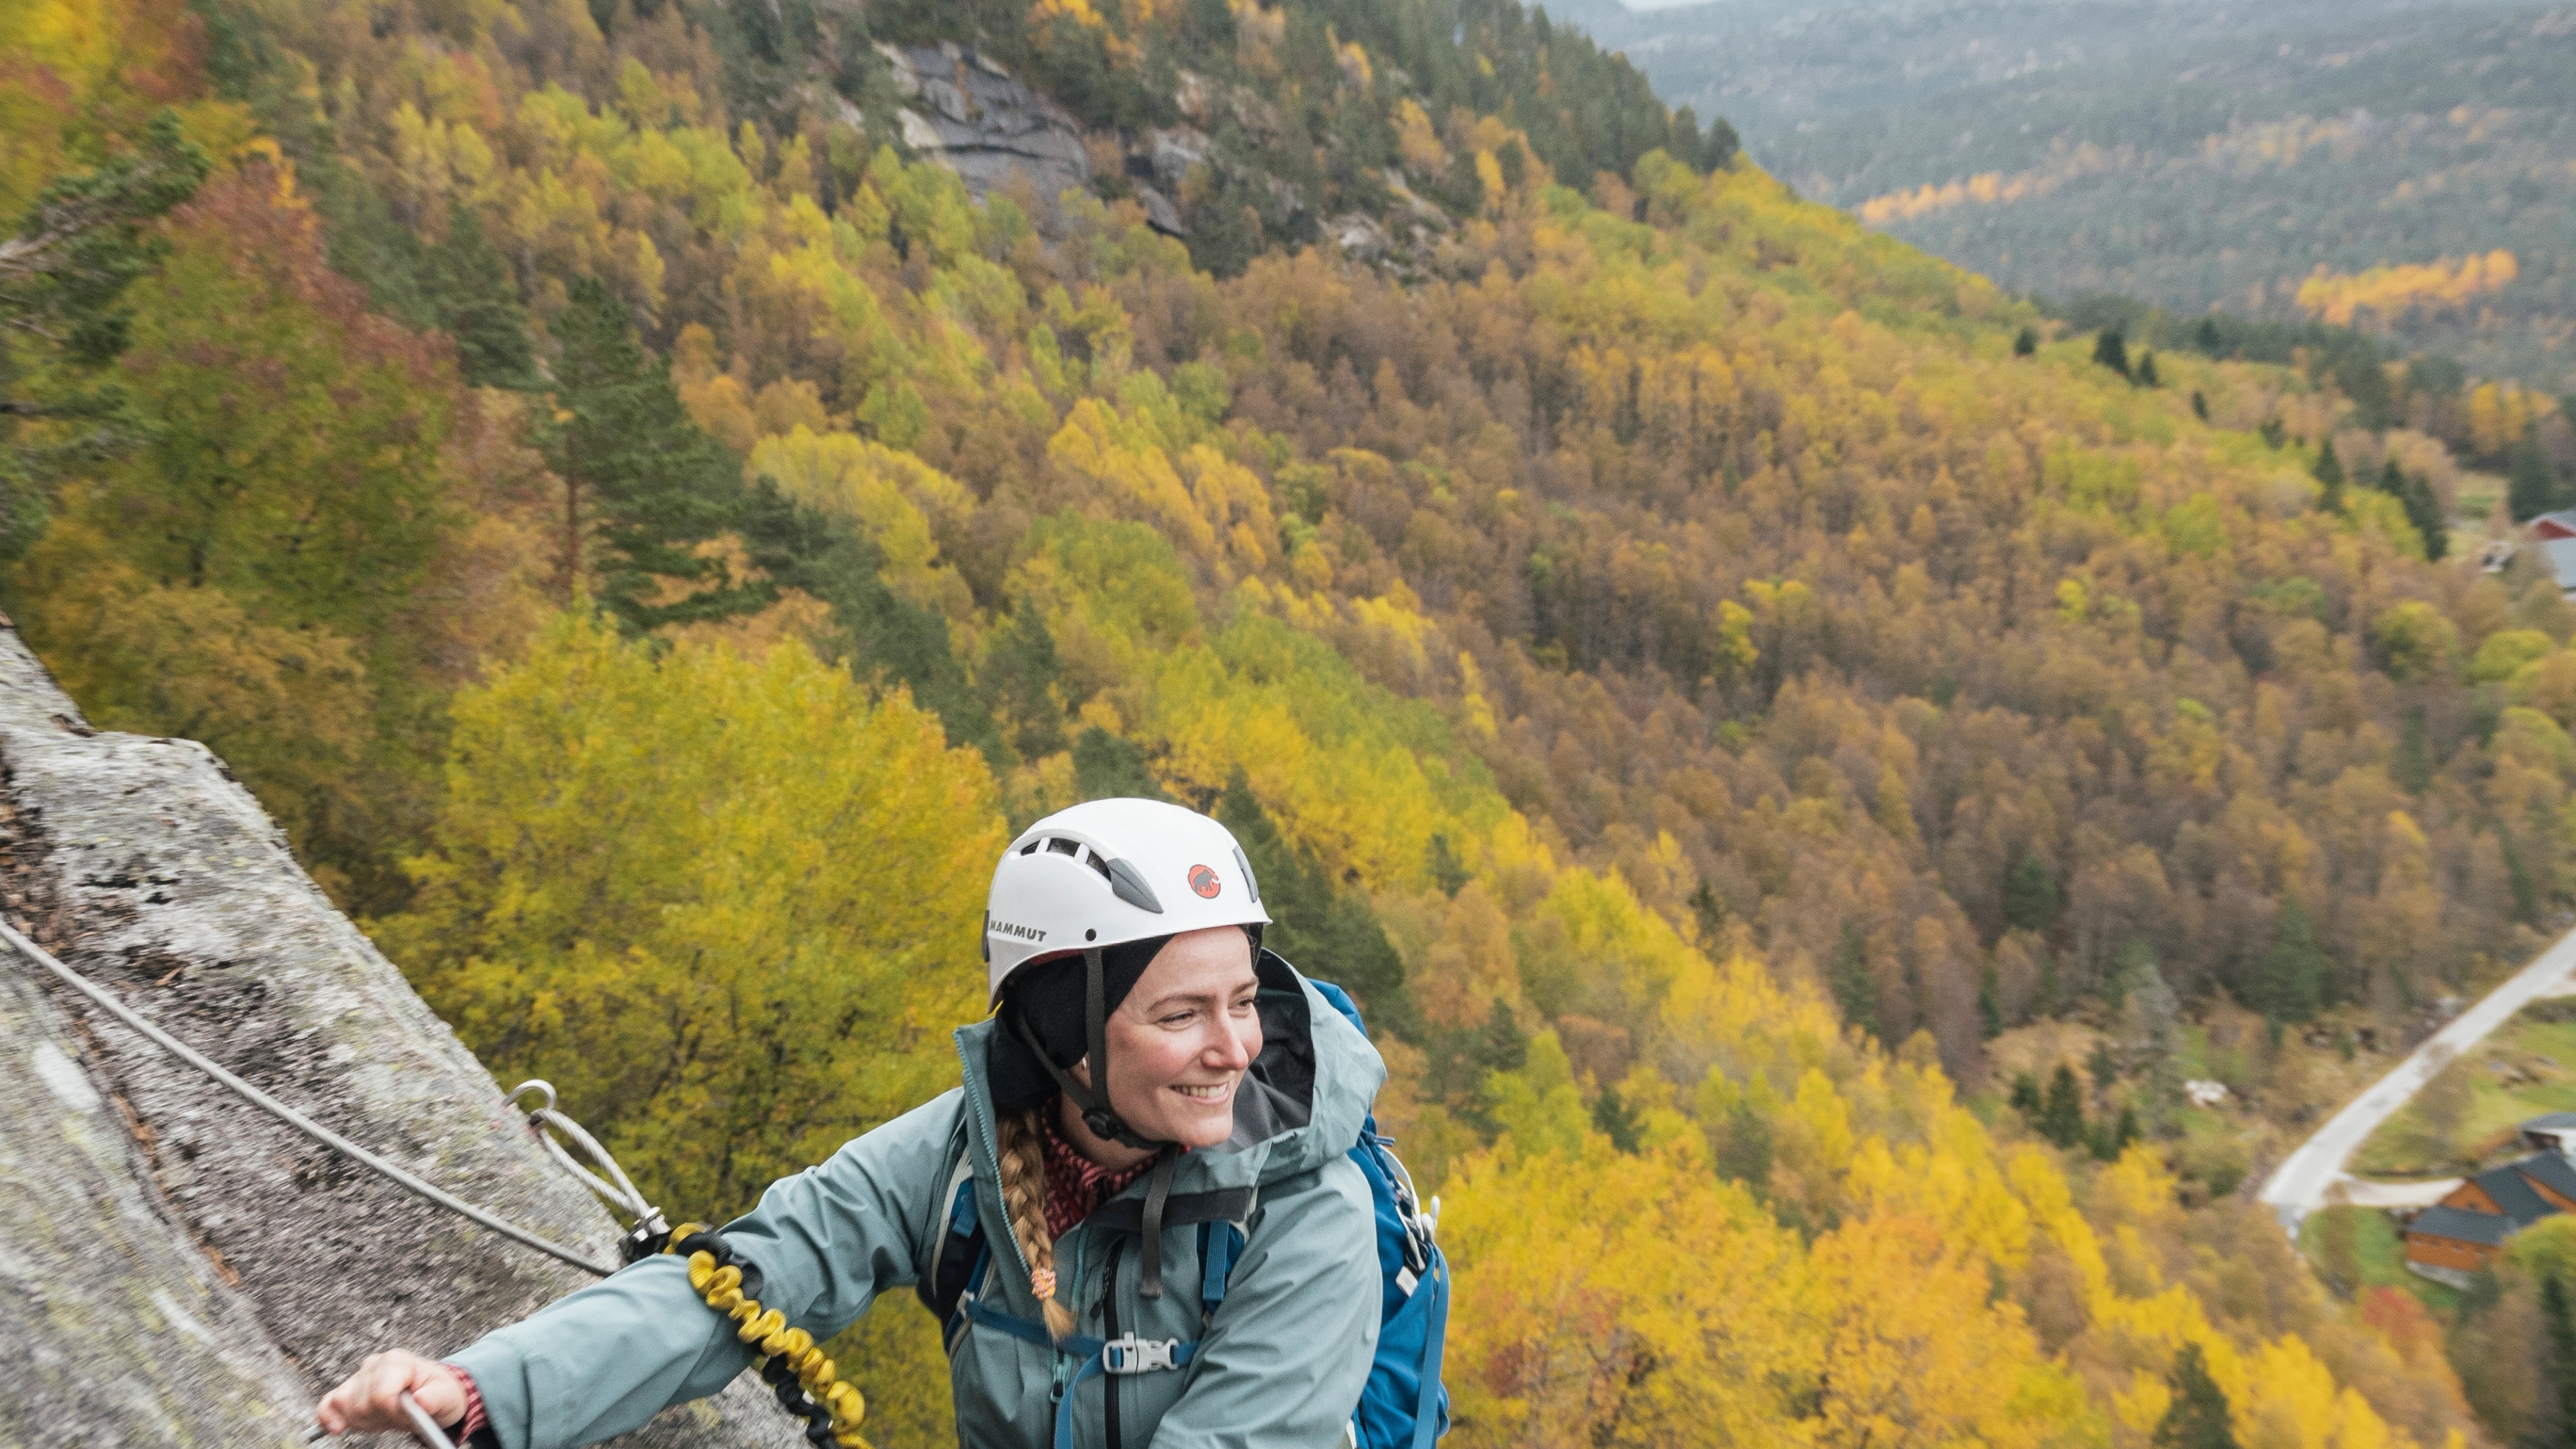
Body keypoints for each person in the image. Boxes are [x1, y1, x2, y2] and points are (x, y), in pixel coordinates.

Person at [315, 798, 1388, 1449]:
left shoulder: (1304, 1212)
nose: (1235, 1049)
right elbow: (739, 1290)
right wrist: (472, 1390)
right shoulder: (965, 1163)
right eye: (1182, 1014)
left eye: (1244, 1001)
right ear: (1067, 1030)